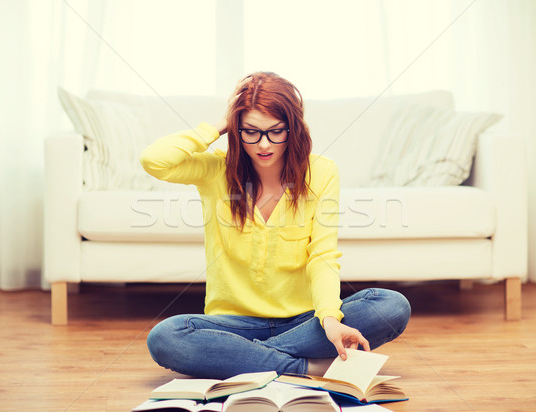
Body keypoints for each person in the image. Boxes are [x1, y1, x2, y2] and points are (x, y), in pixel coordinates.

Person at [141, 72, 410, 380]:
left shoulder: (321, 172)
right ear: (237, 129)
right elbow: (154, 160)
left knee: (391, 305)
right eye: (251, 132)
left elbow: (322, 255)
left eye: (275, 132)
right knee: (165, 337)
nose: (264, 144)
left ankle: (241, 357)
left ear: (292, 128)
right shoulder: (215, 169)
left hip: (304, 322)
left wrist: (330, 320)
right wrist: (222, 123)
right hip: (233, 322)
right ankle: (306, 367)